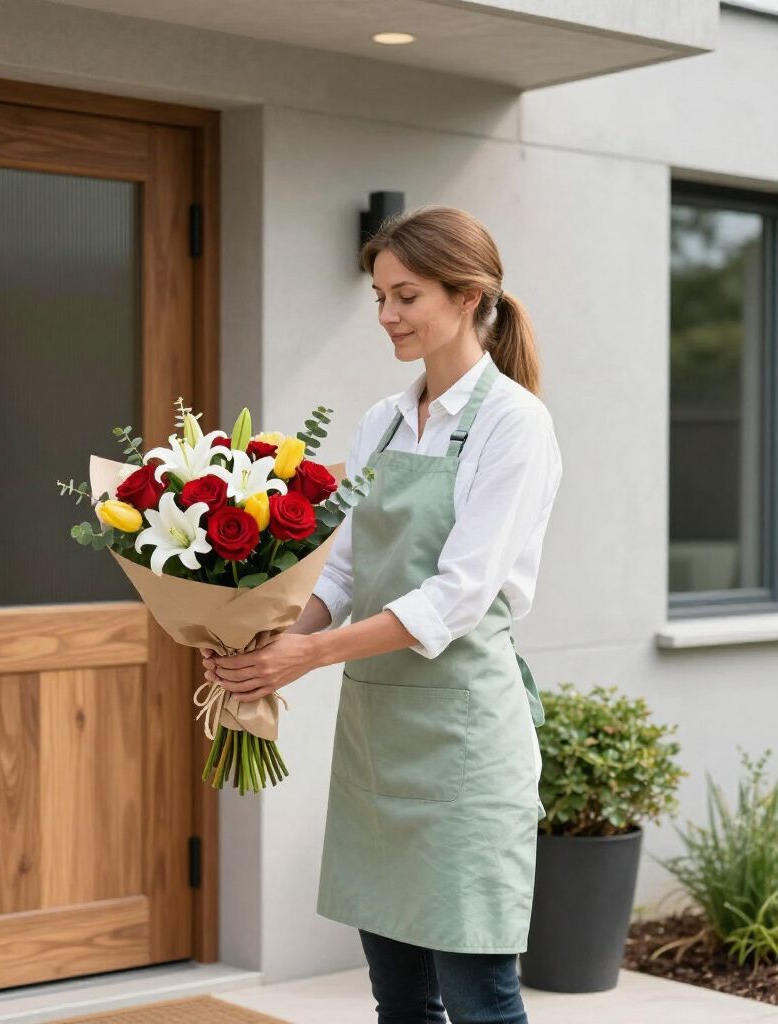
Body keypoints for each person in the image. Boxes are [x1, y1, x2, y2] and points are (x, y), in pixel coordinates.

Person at [201, 205, 563, 1024]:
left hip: (466, 749)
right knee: (398, 1000)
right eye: (379, 298)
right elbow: (350, 572)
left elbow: (459, 595)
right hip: (377, 739)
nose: (387, 316)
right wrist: (260, 648)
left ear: (469, 297)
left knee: (481, 1000)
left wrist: (310, 656)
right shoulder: (382, 422)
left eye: (406, 296)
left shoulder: (514, 424)